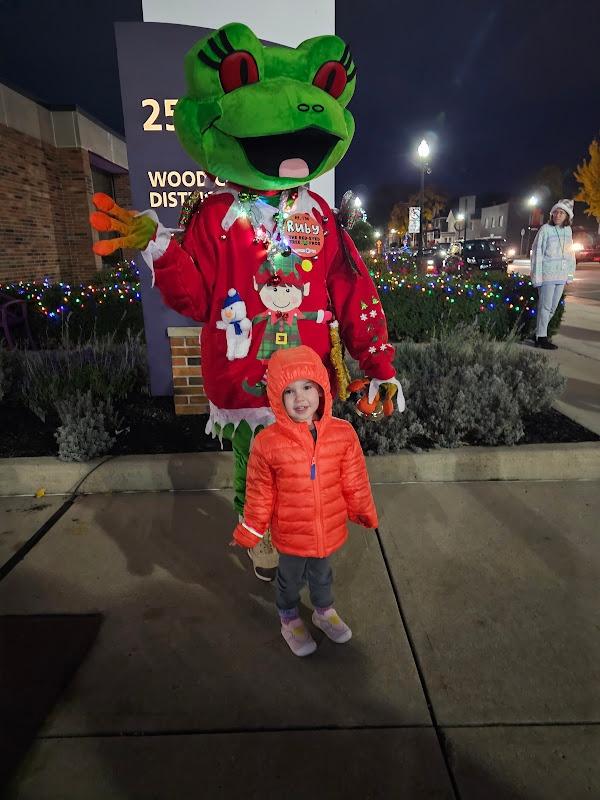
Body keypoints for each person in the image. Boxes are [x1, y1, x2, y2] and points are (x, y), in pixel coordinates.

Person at [89, 22, 404, 584]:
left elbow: (353, 290)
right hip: (244, 375)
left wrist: (377, 365)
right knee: (254, 467)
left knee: (307, 468)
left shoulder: (322, 218)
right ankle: (259, 538)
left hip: (309, 378)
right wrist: (158, 244)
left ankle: (301, 540)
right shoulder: (214, 217)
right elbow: (194, 297)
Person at [231, 345, 378, 657]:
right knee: (290, 578)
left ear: (321, 388)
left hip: (328, 529)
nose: (300, 399)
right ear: (276, 398)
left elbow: (354, 478)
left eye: (307, 387)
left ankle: (323, 611)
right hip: (292, 533)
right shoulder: (268, 443)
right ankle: (288, 617)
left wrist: (363, 510)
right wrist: (252, 529)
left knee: (322, 574)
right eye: (289, 391)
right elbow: (260, 492)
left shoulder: (342, 433)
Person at [530, 199, 576, 350]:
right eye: (555, 212)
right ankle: (541, 337)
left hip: (561, 276)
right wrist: (536, 278)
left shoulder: (568, 231)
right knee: (545, 306)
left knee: (552, 308)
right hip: (547, 275)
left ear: (567, 216)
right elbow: (537, 254)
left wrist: (570, 274)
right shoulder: (545, 229)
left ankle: (538, 333)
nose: (557, 215)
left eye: (561, 213)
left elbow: (570, 254)